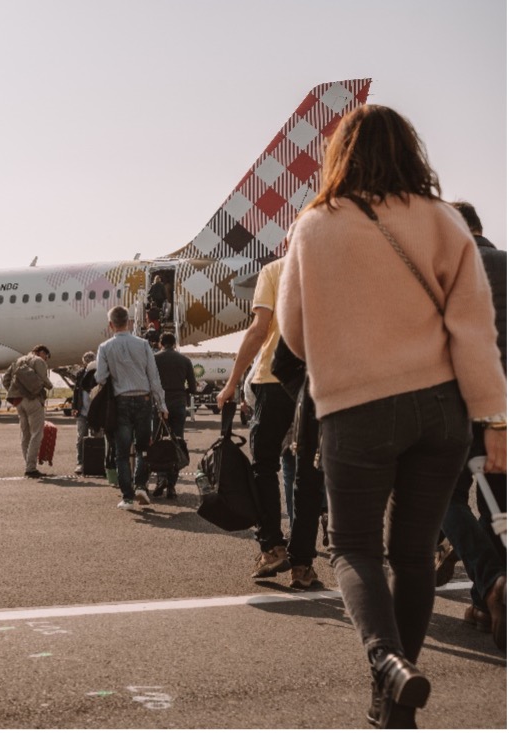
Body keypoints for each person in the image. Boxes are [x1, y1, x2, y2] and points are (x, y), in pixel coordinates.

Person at [276, 105, 506, 728]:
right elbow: (473, 331)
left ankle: (386, 662)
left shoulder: (315, 226)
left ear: (339, 155)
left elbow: (293, 335)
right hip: (439, 411)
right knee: (411, 553)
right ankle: (392, 710)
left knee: (353, 548)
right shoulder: (444, 222)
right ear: (412, 150)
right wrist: (494, 421)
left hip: (356, 409)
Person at [437, 201, 507, 650]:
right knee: (498, 504)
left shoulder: (444, 271)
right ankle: (488, 602)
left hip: (456, 399)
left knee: (445, 496)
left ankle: (490, 582)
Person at [217, 258, 297, 579]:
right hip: (320, 378)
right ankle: (302, 562)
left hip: (274, 378)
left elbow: (259, 328)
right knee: (309, 469)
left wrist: (233, 380)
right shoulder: (331, 266)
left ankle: (272, 548)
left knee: (264, 466)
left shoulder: (275, 270)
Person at [94, 305, 168, 509]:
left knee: (122, 452)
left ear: (111, 325)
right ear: (129, 322)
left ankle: (127, 497)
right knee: (144, 447)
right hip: (144, 399)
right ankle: (141, 485)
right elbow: (154, 377)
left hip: (121, 402)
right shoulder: (143, 344)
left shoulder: (105, 347)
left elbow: (100, 377)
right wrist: (162, 404)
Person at [152, 332, 196, 498]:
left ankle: (160, 478)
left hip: (159, 405)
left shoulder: (154, 359)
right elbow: (192, 388)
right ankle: (172, 486)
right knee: (176, 443)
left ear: (160, 343)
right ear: (175, 343)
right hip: (178, 405)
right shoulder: (185, 360)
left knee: (158, 443)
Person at [2, 345, 54, 478]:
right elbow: (44, 380)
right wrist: (50, 386)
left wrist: (14, 391)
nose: (46, 360)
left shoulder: (18, 361)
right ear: (42, 352)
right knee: (37, 434)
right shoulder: (38, 361)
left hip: (18, 401)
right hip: (33, 400)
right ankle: (31, 468)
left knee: (25, 435)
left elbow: (6, 379)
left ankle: (28, 465)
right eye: (46, 357)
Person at [71, 351, 98, 474]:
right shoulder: (81, 374)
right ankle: (81, 462)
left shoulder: (99, 373)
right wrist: (75, 406)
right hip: (83, 410)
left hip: (93, 410)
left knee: (94, 437)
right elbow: (76, 391)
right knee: (82, 437)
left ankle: (92, 462)